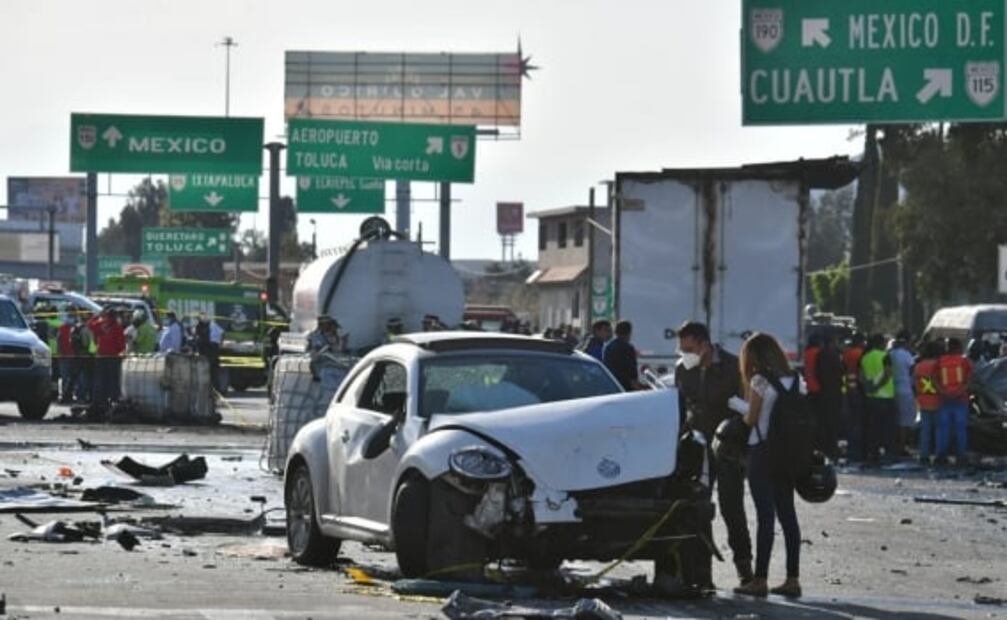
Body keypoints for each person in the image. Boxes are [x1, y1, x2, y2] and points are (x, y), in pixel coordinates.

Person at [672, 320, 753, 587]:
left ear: (705, 345)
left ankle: (744, 568)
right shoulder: (683, 369)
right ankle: (701, 573)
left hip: (728, 448)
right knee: (697, 509)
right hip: (697, 450)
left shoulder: (732, 366)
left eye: (690, 348)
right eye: (682, 349)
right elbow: (681, 407)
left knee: (732, 507)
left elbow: (747, 409)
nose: (686, 354)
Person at [732, 332, 804, 598]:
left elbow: (751, 419)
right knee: (788, 515)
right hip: (789, 453)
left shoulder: (760, 380)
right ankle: (792, 578)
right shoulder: (795, 379)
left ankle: (760, 579)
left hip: (761, 451)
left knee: (765, 516)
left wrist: (738, 406)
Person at [935, 338, 973, 466]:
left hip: (944, 399)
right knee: (960, 429)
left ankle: (941, 456)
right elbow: (969, 379)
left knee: (943, 429)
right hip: (960, 399)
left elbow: (934, 378)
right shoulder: (964, 361)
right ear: (958, 347)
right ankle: (960, 456)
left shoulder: (940, 361)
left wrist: (942, 391)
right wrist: (960, 391)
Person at [860, 334, 896, 465]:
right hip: (886, 397)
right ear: (881, 344)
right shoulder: (885, 356)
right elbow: (887, 374)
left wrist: (869, 388)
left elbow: (862, 377)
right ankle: (888, 455)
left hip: (871, 398)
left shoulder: (865, 357)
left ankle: (873, 454)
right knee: (887, 429)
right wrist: (877, 387)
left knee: (873, 428)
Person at [88, 307, 126, 410]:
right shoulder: (118, 328)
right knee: (113, 380)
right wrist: (120, 352)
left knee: (100, 380)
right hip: (113, 357)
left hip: (100, 357)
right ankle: (113, 399)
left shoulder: (101, 324)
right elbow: (121, 345)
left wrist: (96, 316)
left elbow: (90, 325)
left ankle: (99, 400)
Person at [913, 341, 943, 466]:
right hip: (938, 400)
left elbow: (915, 384)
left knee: (925, 430)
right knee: (939, 430)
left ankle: (923, 455)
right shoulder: (939, 365)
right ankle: (939, 455)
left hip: (923, 400)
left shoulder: (919, 366)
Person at [888, 330, 917, 457]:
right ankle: (901, 448)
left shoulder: (890, 354)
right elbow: (913, 372)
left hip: (891, 390)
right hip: (905, 391)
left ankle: (893, 446)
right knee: (904, 422)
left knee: (894, 420)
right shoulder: (906, 355)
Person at [816, 336, 844, 460]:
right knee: (832, 423)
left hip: (824, 392)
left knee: (824, 422)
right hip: (832, 393)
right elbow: (839, 372)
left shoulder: (821, 354)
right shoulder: (832, 355)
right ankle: (831, 449)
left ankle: (825, 448)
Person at [842, 333, 867, 462]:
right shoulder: (861, 353)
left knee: (851, 421)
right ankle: (858, 450)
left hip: (848, 388)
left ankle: (851, 447)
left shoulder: (847, 353)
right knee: (859, 421)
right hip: (859, 389)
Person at [602, 320, 641, 392]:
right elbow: (632, 372)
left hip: (611, 385)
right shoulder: (628, 348)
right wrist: (638, 389)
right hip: (625, 387)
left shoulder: (608, 346)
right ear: (629, 333)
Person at [56, 307, 79, 404]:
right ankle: (64, 395)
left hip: (72, 356)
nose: (71, 317)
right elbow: (58, 341)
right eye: (70, 315)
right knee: (65, 376)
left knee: (71, 377)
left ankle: (69, 395)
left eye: (72, 315)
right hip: (65, 355)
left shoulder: (76, 328)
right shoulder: (63, 327)